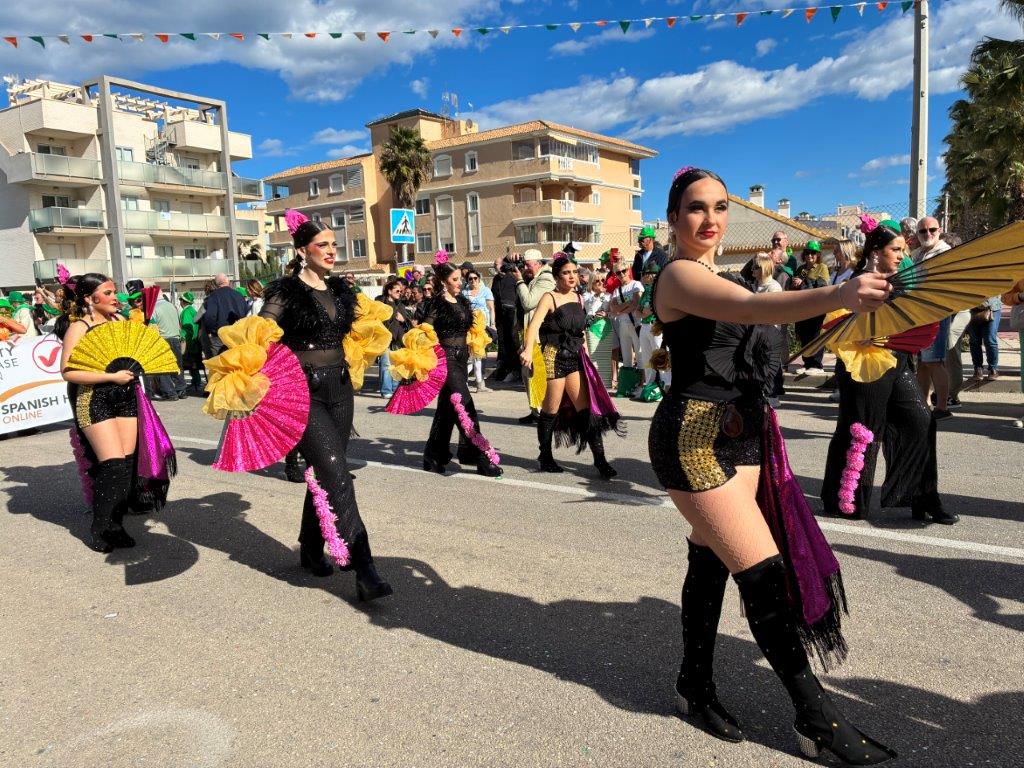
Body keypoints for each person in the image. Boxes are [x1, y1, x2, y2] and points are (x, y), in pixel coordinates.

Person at [650, 167, 896, 764]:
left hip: (746, 436)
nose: (710, 219)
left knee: (710, 559)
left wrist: (838, 321)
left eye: (719, 207)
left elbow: (764, 334)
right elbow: (757, 311)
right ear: (674, 218)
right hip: (693, 439)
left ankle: (694, 686)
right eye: (695, 208)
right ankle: (816, 719)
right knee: (763, 573)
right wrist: (836, 294)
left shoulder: (720, 273)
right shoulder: (680, 275)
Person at [257, 212, 391, 600]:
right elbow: (261, 335)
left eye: (334, 245)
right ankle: (363, 567)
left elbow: (373, 324)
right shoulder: (283, 292)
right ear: (302, 251)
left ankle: (311, 547)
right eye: (323, 245)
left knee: (324, 470)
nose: (331, 251)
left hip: (340, 387)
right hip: (303, 391)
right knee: (337, 473)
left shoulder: (341, 290)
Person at [821, 216, 956, 526]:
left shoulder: (900, 282)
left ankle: (922, 498)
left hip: (896, 361)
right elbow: (834, 324)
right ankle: (845, 498)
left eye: (902, 250)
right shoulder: (855, 282)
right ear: (876, 252)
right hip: (862, 364)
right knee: (861, 432)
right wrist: (859, 333)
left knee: (921, 421)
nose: (901, 255)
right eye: (895, 249)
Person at [55, 273, 172, 553]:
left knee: (128, 465)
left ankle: (116, 524)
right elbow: (68, 371)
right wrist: (111, 378)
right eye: (108, 293)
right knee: (113, 464)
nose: (115, 298)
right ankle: (101, 527)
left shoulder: (121, 322)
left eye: (114, 292)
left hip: (125, 395)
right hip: (93, 397)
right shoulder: (80, 327)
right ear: (89, 298)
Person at [520, 255, 619, 479]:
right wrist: (527, 350)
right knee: (550, 412)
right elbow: (533, 326)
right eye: (566, 272)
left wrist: (587, 356)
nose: (572, 276)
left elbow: (580, 331)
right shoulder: (549, 297)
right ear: (556, 276)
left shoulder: (579, 298)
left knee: (586, 412)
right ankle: (545, 457)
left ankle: (601, 461)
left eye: (574, 272)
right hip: (553, 358)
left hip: (574, 358)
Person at [419, 261, 502, 478]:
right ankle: (482, 457)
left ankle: (433, 455)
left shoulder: (462, 301)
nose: (460, 283)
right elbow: (425, 331)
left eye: (460, 279)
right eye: (455, 280)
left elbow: (470, 326)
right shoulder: (437, 305)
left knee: (447, 410)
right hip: (445, 360)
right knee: (465, 405)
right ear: (444, 282)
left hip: (461, 360)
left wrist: (486, 331)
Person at [911, 217, 954, 419]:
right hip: (919, 313)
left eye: (932, 229)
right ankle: (923, 404)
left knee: (935, 361)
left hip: (936, 313)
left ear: (940, 230)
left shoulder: (945, 252)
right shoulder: (917, 254)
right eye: (922, 231)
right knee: (922, 362)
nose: (927, 234)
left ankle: (943, 407)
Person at [514, 250, 556, 424]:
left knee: (536, 373)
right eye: (524, 265)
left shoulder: (545, 279)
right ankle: (535, 410)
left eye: (528, 265)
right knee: (528, 373)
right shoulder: (534, 278)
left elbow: (528, 302)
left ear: (538, 264)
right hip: (529, 335)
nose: (525, 268)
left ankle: (543, 413)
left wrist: (519, 281)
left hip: (539, 337)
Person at [790, 242, 830, 375]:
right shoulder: (801, 269)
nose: (810, 255)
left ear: (818, 255)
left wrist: (804, 282)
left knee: (815, 335)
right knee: (804, 335)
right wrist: (795, 283)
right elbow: (797, 288)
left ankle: (817, 364)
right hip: (803, 307)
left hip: (816, 307)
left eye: (813, 253)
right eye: (807, 252)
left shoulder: (822, 267)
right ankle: (807, 363)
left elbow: (822, 284)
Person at [609, 265, 645, 394]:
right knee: (626, 355)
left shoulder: (636, 285)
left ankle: (641, 385)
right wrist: (625, 306)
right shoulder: (616, 290)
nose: (621, 274)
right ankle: (629, 385)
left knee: (640, 354)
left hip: (635, 323)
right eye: (618, 272)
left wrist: (620, 308)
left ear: (628, 270)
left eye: (623, 271)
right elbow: (613, 309)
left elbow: (636, 304)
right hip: (623, 325)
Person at [149, 291, 187, 401]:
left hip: (163, 340)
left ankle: (170, 393)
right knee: (177, 365)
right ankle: (181, 390)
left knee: (163, 368)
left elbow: (153, 326)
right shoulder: (173, 306)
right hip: (176, 339)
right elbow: (180, 323)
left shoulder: (154, 308)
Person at [201, 273, 248, 356]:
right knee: (236, 361)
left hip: (219, 336)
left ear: (216, 284)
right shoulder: (239, 295)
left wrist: (211, 331)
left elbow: (210, 317)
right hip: (237, 335)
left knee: (220, 363)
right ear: (228, 281)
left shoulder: (213, 297)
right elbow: (245, 313)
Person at [490, 255, 521, 382]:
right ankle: (503, 369)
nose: (495, 267)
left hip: (511, 312)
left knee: (512, 340)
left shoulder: (512, 276)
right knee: (502, 341)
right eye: (494, 265)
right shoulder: (496, 279)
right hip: (500, 314)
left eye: (496, 264)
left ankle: (515, 370)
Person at [464, 268, 495, 392]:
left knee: (479, 356)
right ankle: (469, 382)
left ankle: (479, 383)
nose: (473, 281)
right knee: (470, 357)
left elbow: (491, 308)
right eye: (470, 279)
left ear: (479, 279)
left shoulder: (485, 291)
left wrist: (493, 324)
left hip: (483, 327)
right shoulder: (464, 292)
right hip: (470, 327)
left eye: (475, 278)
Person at [378, 277, 409, 399]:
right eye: (397, 291)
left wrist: (403, 320)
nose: (400, 293)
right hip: (386, 339)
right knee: (385, 365)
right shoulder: (382, 304)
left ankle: (396, 389)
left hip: (399, 339)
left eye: (401, 291)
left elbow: (407, 322)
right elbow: (380, 322)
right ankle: (386, 390)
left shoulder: (400, 305)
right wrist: (392, 317)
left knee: (397, 365)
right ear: (389, 291)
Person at [968, 295, 1002, 381]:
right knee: (974, 340)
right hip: (972, 308)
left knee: (990, 339)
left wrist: (985, 303)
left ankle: (993, 369)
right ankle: (978, 369)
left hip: (992, 308)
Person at [178, 292, 204, 394]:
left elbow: (187, 328)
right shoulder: (192, 310)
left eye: (180, 300)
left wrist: (183, 340)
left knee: (191, 364)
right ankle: (196, 382)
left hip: (190, 342)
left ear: (184, 301)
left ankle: (196, 382)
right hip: (195, 341)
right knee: (195, 364)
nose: (180, 302)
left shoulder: (186, 312)